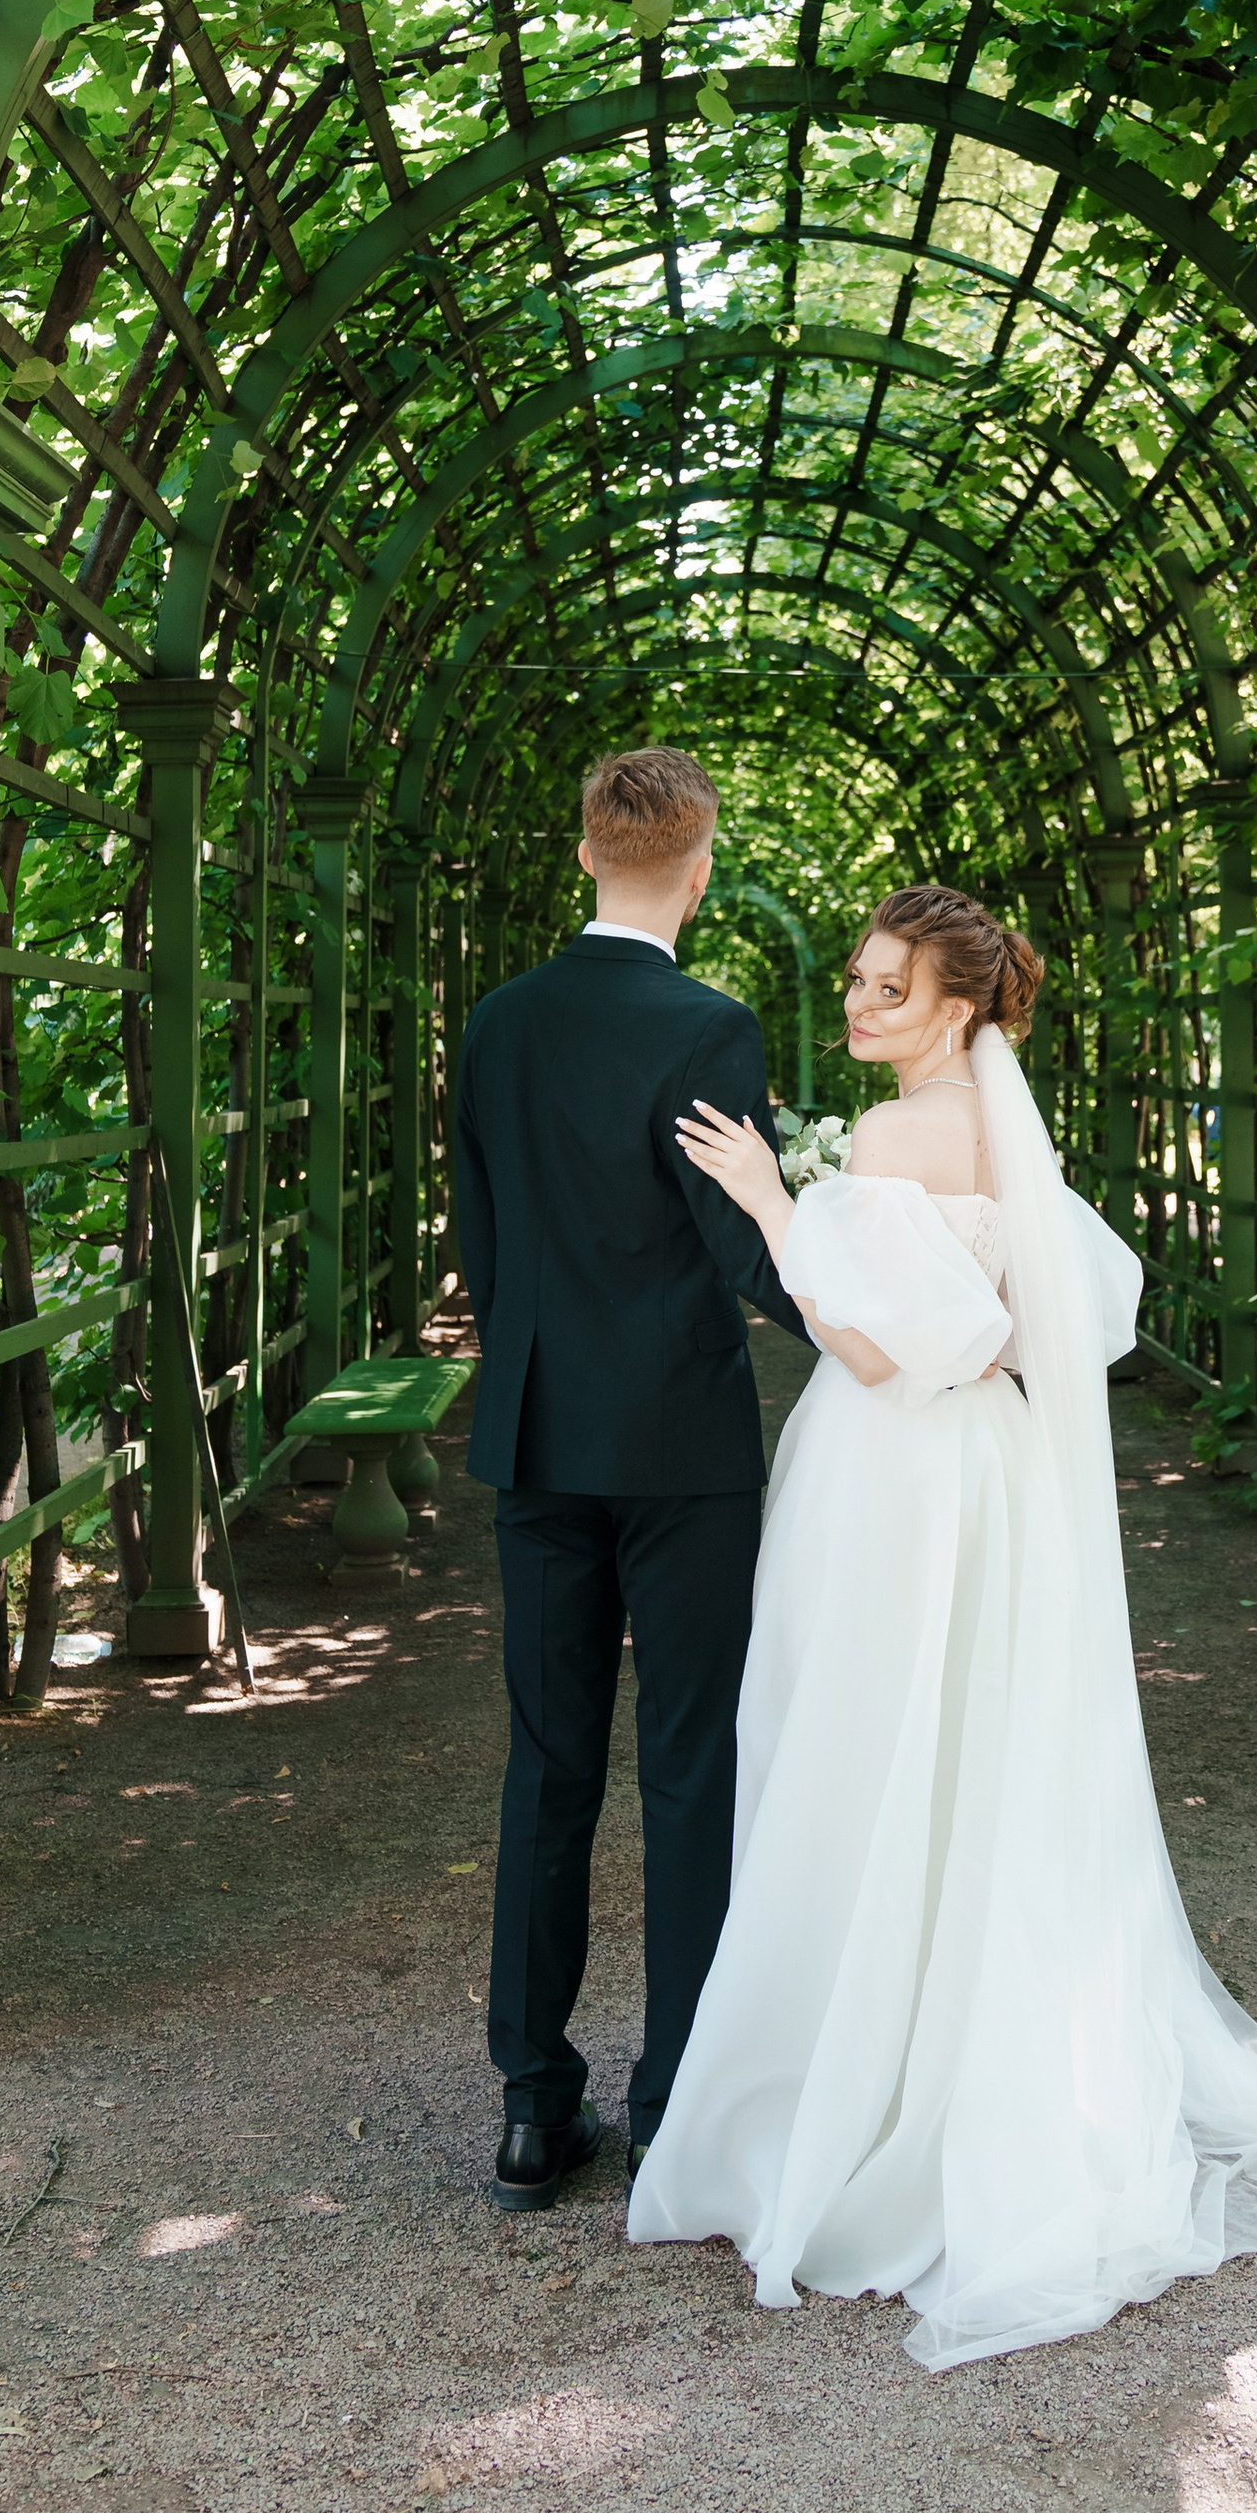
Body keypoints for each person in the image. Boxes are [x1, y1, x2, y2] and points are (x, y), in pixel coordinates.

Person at [634, 881, 1257, 2367]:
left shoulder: (885, 1140)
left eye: (889, 989)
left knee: (866, 1759)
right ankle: (974, 2078)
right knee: (978, 1764)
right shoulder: (1012, 1136)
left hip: (889, 1480)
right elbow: (1044, 1323)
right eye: (858, 981)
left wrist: (771, 1207)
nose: (859, 1006)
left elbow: (878, 1355)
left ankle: (869, 2102)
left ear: (957, 1007)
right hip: (994, 1476)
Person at [455, 744, 800, 2211]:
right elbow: (746, 1250)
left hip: (541, 1435)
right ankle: (677, 2100)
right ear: (700, 866)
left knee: (549, 1767)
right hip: (681, 1448)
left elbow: (479, 1235)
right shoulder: (711, 1028)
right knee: (688, 1765)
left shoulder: (500, 1025)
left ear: (585, 851)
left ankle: (535, 2109)